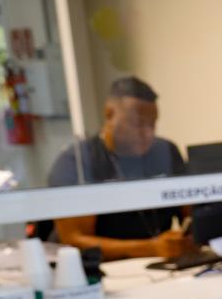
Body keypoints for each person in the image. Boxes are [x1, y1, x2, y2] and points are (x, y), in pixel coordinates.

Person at [47, 76, 195, 261]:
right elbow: (74, 241)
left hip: (158, 265)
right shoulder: (78, 162)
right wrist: (150, 248)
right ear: (109, 114)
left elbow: (192, 213)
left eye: (152, 124)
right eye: (138, 124)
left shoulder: (165, 151)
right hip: (100, 269)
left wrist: (191, 236)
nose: (148, 133)